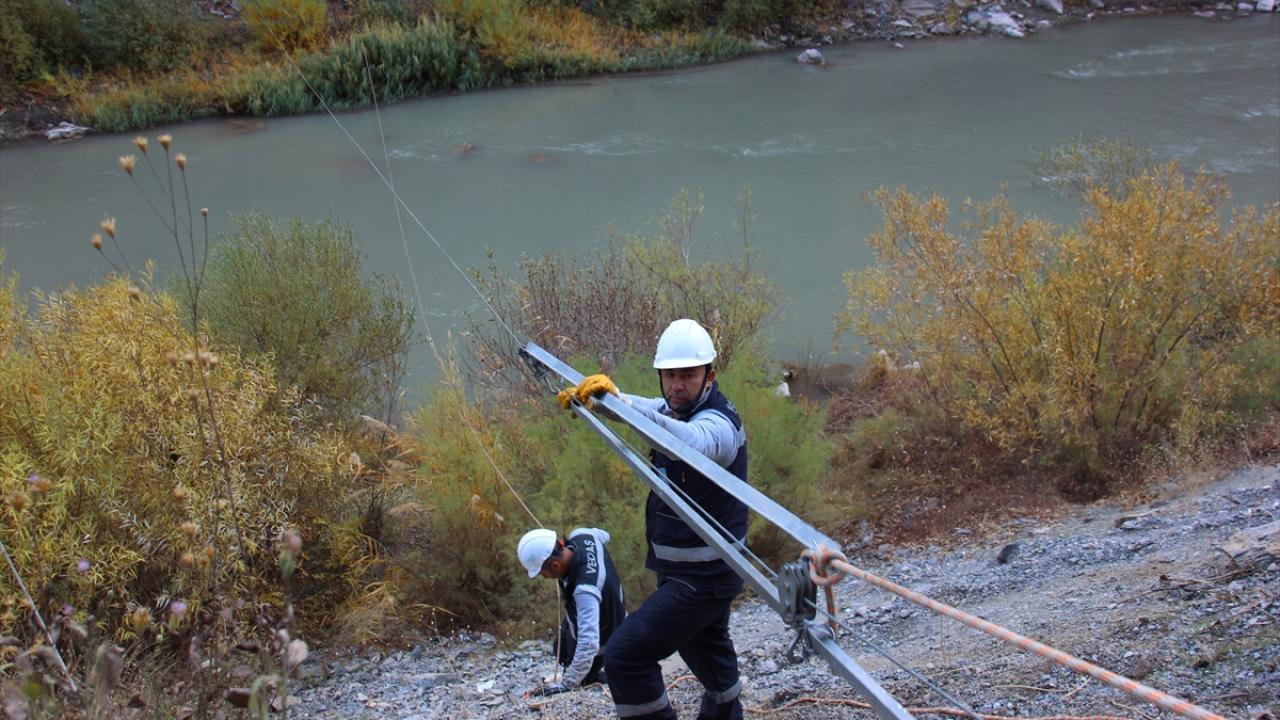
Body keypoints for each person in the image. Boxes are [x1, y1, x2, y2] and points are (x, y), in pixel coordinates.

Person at [561, 318, 748, 720]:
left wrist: (625, 410)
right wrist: (606, 400)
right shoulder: (678, 407)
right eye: (669, 376)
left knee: (625, 657)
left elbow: (691, 442)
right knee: (704, 647)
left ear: (709, 376)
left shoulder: (719, 425)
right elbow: (649, 408)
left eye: (688, 375)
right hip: (687, 570)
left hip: (705, 577)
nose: (677, 385)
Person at [517, 526, 627, 696]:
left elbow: (589, 643)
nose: (544, 577)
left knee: (582, 679)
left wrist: (568, 683)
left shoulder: (585, 590)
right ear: (560, 543)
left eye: (542, 573)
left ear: (555, 565)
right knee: (559, 648)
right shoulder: (584, 535)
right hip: (603, 610)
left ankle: (610, 675)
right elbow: (605, 535)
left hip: (607, 631)